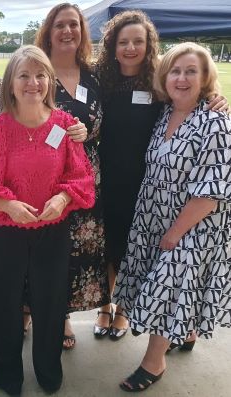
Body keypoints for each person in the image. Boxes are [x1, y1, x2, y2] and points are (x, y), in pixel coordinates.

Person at [0, 45, 95, 395]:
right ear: (11, 83)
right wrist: (8, 204)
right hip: (4, 232)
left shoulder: (66, 126)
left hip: (52, 230)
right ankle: (6, 373)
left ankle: (48, 370)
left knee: (51, 302)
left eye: (40, 75)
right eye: (24, 75)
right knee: (3, 302)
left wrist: (64, 196)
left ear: (49, 82)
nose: (32, 83)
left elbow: (82, 176)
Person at [96, 10, 228, 340]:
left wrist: (215, 98)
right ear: (112, 45)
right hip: (109, 176)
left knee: (135, 247)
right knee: (110, 243)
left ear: (148, 44)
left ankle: (125, 311)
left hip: (148, 182)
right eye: (123, 41)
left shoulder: (160, 81)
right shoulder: (101, 79)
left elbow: (193, 97)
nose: (130, 48)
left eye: (138, 41)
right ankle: (104, 307)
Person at [113, 42, 231, 392]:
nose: (181, 78)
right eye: (176, 71)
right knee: (179, 290)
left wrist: (175, 233)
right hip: (153, 215)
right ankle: (187, 332)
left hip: (193, 224)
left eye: (191, 71)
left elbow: (210, 193)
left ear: (205, 77)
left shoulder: (216, 122)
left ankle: (154, 362)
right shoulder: (165, 113)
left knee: (167, 285)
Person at [35, 2, 109, 349]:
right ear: (49, 31)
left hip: (86, 178)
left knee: (80, 249)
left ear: (82, 32)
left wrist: (211, 96)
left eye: (74, 25)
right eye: (60, 25)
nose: (67, 31)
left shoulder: (95, 73)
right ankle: (48, 315)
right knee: (49, 248)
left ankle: (64, 314)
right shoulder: (36, 71)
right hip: (46, 177)